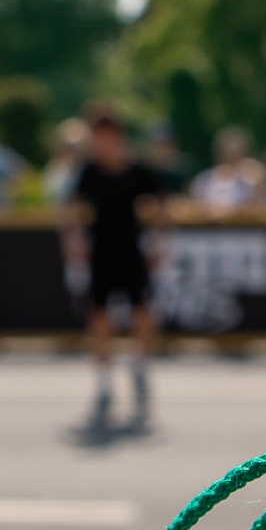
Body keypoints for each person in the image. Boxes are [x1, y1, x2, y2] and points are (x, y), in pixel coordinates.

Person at [62, 101, 168, 430]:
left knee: (142, 312)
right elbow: (70, 208)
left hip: (131, 252)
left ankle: (140, 366)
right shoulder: (89, 172)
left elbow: (162, 205)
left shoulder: (137, 170)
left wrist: (160, 242)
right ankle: (105, 378)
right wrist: (73, 239)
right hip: (101, 253)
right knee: (99, 315)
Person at [189, 127, 266, 213]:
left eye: (235, 153)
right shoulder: (204, 180)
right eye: (225, 152)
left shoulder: (249, 181)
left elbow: (257, 206)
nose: (229, 157)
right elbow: (194, 207)